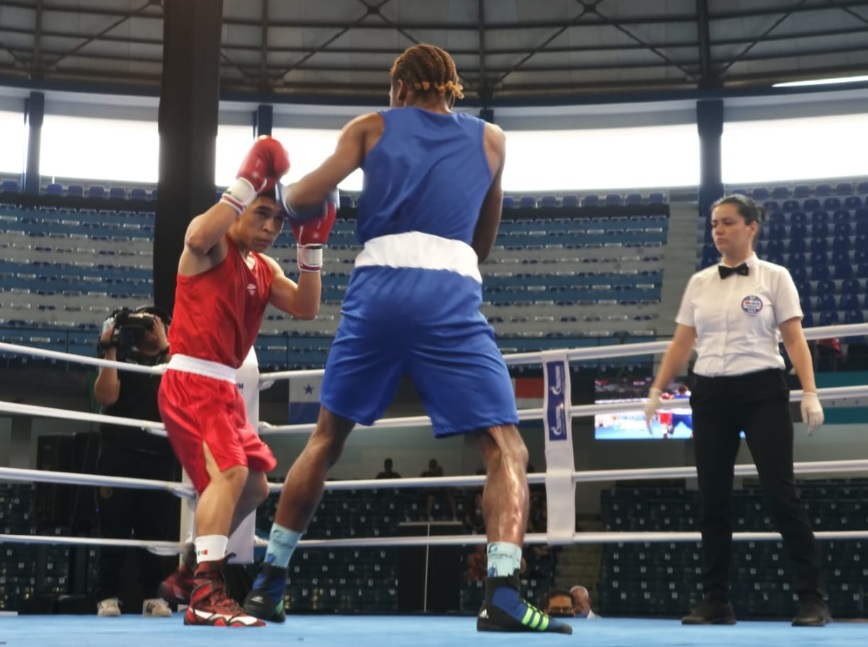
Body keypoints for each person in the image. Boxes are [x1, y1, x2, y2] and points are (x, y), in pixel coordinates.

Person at [242, 43, 571, 635]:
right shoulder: (492, 141)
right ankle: (502, 592)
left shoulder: (370, 127)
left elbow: (298, 199)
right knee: (505, 448)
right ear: (450, 89)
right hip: (449, 292)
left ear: (399, 88)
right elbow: (482, 242)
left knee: (326, 438)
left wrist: (298, 199)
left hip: (377, 292)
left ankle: (268, 586)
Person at [157, 135, 336, 627]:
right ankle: (206, 594)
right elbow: (194, 236)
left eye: (278, 220)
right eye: (262, 214)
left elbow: (306, 307)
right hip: (193, 378)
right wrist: (242, 186)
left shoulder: (264, 265)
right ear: (238, 207)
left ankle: (189, 569)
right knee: (229, 475)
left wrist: (312, 246)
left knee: (254, 488)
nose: (271, 226)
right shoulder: (210, 249)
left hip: (225, 390)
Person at [644, 194, 830, 627]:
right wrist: (657, 389)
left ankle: (813, 598)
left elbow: (794, 338)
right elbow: (682, 344)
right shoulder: (699, 282)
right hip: (709, 392)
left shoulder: (775, 277)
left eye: (727, 222)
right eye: (714, 224)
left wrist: (810, 391)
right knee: (712, 500)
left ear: (751, 227)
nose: (718, 231)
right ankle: (715, 600)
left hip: (762, 389)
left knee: (782, 494)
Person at [93, 306, 178, 618]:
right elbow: (106, 397)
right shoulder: (120, 359)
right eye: (144, 323)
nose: (149, 329)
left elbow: (183, 392)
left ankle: (151, 597)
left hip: (158, 457)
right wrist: (109, 347)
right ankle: (107, 595)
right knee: (112, 529)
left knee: (154, 532)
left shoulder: (172, 362)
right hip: (118, 456)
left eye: (154, 323)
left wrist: (167, 346)